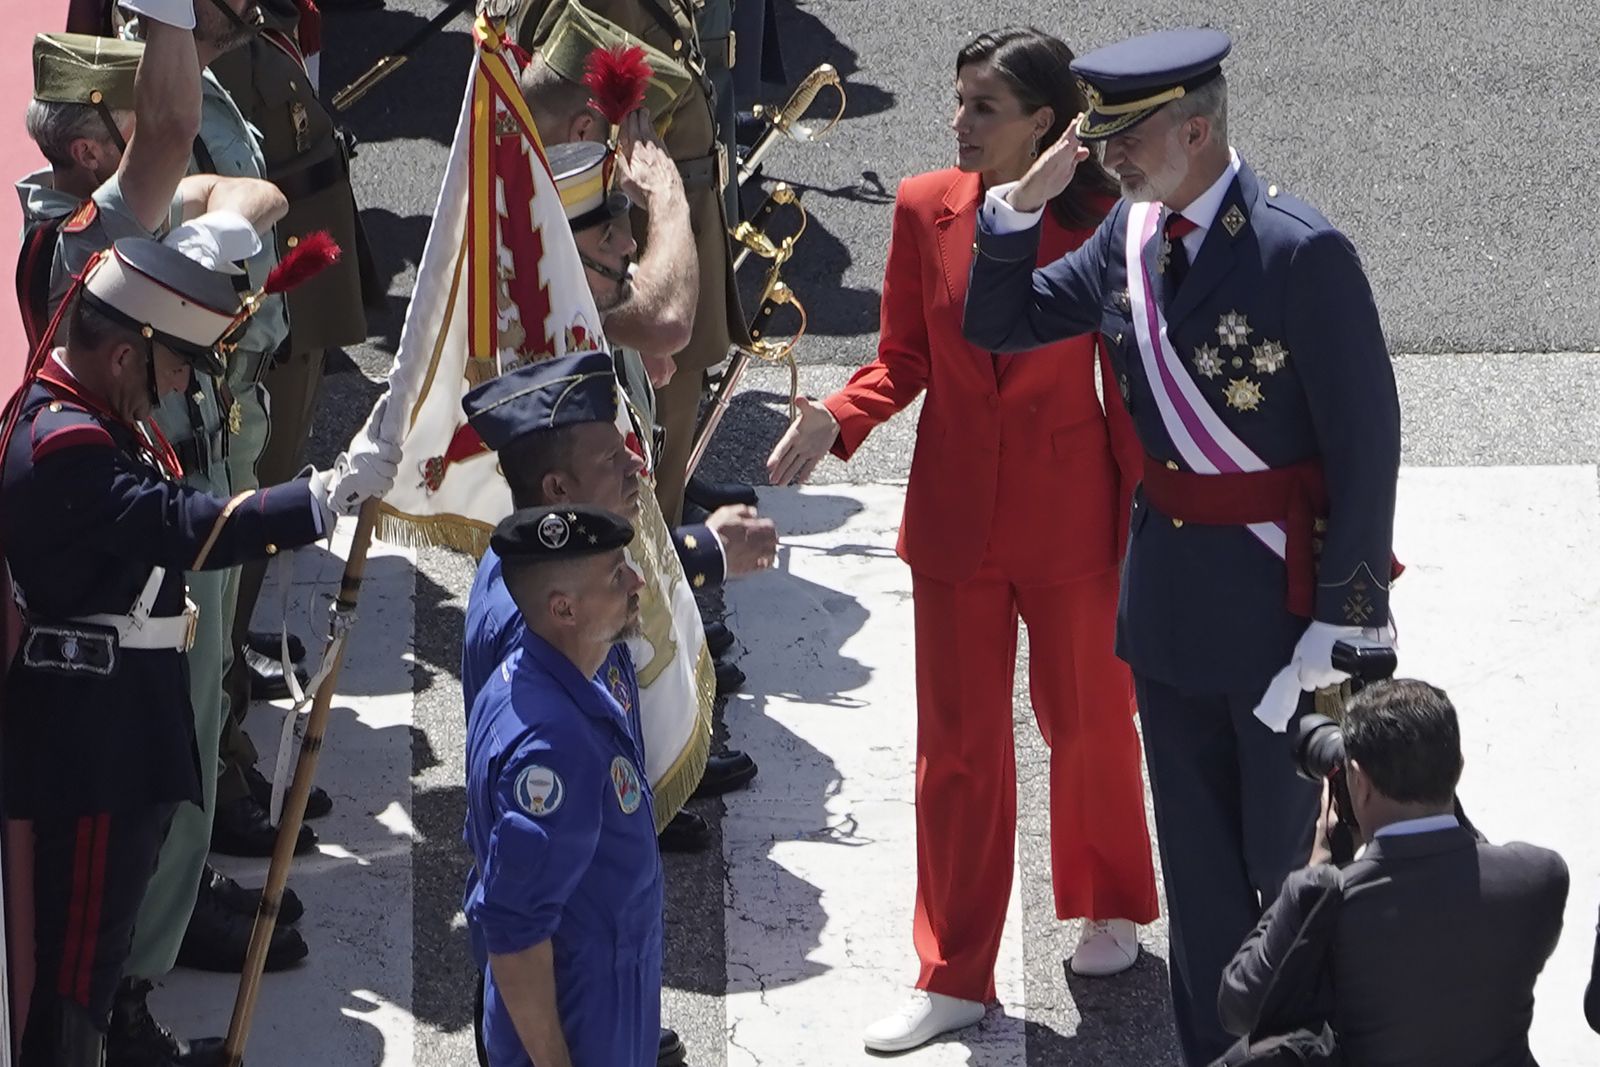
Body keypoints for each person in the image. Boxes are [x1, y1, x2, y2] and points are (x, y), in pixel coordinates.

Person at [961, 28, 1402, 1065]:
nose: (1107, 158)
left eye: (1125, 138)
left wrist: (1345, 623)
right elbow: (1002, 320)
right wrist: (1016, 207)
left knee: (1298, 862)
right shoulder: (1127, 239)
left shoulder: (1299, 249)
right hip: (1167, 612)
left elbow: (1364, 446)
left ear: (1195, 129)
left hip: (1296, 616)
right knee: (1200, 876)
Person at [766, 28, 1158, 1053]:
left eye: (983, 107)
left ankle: (1107, 900)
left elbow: (1129, 389)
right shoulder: (920, 206)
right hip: (952, 526)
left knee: (1090, 725)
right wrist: (838, 414)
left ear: (1044, 124)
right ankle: (950, 972)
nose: (959, 123)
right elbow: (903, 354)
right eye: (958, 103)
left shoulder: (1112, 225)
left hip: (1073, 520)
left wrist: (1151, 515)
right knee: (957, 754)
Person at [0, 230, 390, 1067]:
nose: (179, 384)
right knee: (78, 968)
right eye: (173, 365)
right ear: (122, 355)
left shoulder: (93, 418)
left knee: (104, 951)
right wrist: (322, 497)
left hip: (121, 719)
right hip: (95, 739)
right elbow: (184, 526)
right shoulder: (66, 445)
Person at [16, 15, 316, 1057]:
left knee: (178, 770)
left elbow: (233, 174)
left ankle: (142, 966)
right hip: (92, 699)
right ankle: (126, 1002)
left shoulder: (108, 248)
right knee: (87, 926)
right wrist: (323, 502)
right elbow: (178, 527)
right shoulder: (75, 252)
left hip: (142, 629)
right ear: (94, 146)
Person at [209, 0, 374, 905]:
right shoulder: (187, 54)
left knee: (250, 570)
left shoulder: (247, 32)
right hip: (256, 336)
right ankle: (224, 769)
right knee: (229, 577)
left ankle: (228, 741)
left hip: (294, 314)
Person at [1218, 680, 1568, 1067]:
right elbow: (1468, 867)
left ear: (1359, 782)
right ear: (1458, 769)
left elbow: (1238, 1006)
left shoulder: (1330, 902)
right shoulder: (1541, 878)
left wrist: (1316, 870)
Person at [517, 0, 749, 527]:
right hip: (648, 255)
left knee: (653, 493)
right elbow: (586, 159)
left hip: (660, 250)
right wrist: (634, 295)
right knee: (639, 518)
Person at [464, 504, 661, 1067]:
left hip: (602, 996)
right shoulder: (555, 747)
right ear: (564, 608)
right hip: (583, 1020)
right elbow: (516, 934)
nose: (636, 580)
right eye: (615, 575)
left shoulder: (535, 679)